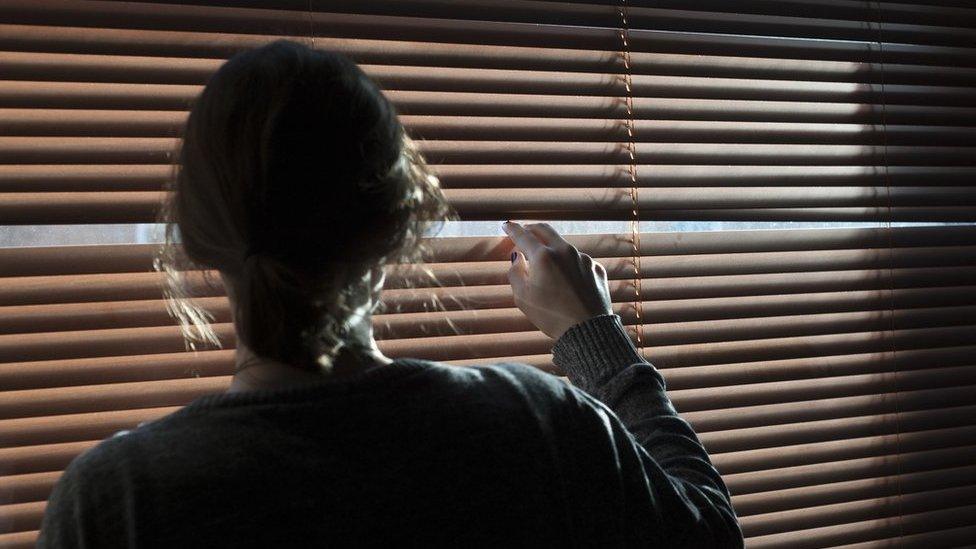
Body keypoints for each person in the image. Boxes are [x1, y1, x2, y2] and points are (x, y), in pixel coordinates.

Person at [37, 40, 743, 548]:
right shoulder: (535, 428)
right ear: (402, 224)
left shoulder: (114, 502)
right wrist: (597, 340)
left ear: (193, 237)